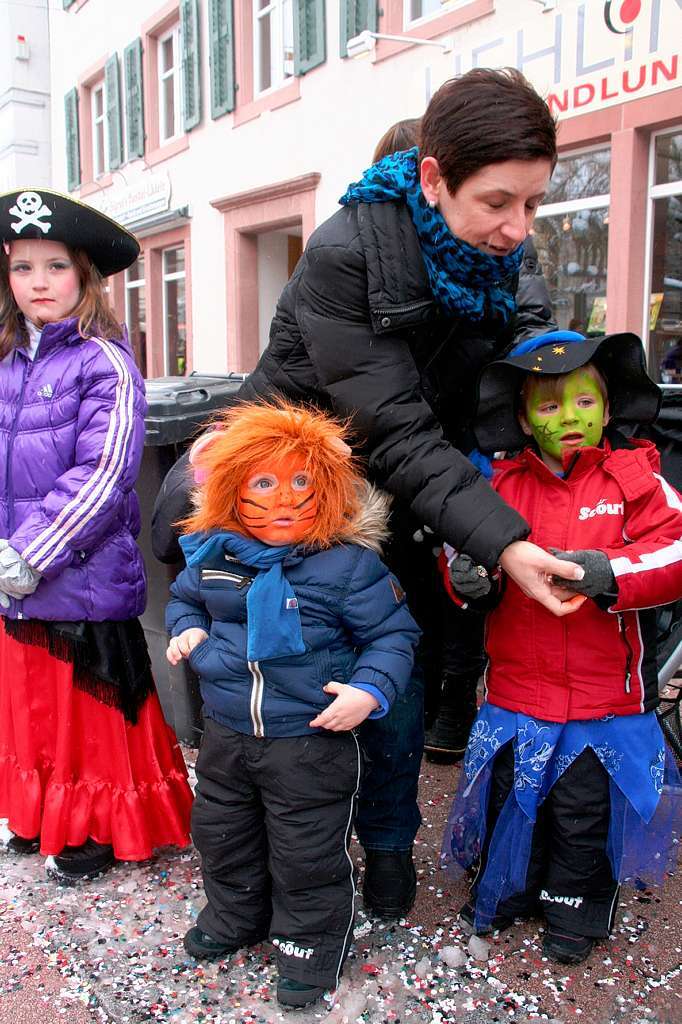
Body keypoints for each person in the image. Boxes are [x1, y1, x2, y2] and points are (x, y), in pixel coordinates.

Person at [153, 67, 585, 919]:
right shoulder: (347, 252)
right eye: (500, 202)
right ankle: (277, 866)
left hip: (417, 499)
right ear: (433, 176)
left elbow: (532, 347)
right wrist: (504, 539)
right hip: (310, 496)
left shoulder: (503, 255)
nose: (517, 228)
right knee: (291, 682)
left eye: (533, 205)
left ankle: (387, 849)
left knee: (396, 683)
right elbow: (391, 422)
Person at [165, 401, 419, 1008]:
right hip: (226, 730)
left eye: (300, 481)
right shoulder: (214, 555)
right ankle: (235, 915)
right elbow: (184, 600)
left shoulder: (350, 566)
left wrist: (370, 689)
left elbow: (394, 634)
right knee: (223, 833)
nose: (282, 499)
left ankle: (309, 945)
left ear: (328, 487)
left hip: (309, 739)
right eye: (263, 483)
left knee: (306, 850)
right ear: (232, 490)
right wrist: (186, 629)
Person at [441, 330, 682, 964]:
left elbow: (676, 551)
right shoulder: (497, 484)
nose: (568, 418)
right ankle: (512, 887)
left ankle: (574, 907)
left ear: (606, 409)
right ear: (522, 418)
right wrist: (469, 579)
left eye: (582, 402)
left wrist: (608, 573)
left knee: (582, 814)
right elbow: (466, 556)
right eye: (548, 405)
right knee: (511, 798)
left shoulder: (638, 479)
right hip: (516, 695)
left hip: (605, 700)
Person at [0, 188, 192, 882]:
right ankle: (41, 813)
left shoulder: (103, 361)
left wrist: (30, 552)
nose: (39, 282)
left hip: (77, 580)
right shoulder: (6, 363)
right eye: (23, 267)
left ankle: (97, 826)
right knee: (33, 712)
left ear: (84, 274)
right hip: (13, 585)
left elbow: (104, 471)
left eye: (55, 266)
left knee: (89, 721)